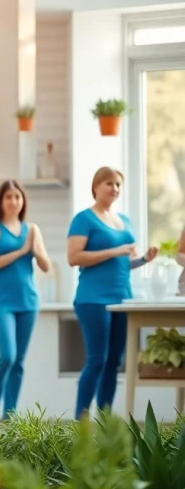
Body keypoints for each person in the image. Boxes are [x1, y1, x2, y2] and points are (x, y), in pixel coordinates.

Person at [67, 166, 155, 419]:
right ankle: (80, 422)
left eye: (118, 184)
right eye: (109, 183)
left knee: (114, 363)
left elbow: (123, 263)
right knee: (96, 360)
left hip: (122, 300)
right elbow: (74, 257)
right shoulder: (84, 219)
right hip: (93, 299)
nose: (114, 189)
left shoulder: (124, 220)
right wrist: (114, 251)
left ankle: (105, 423)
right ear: (95, 187)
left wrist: (144, 260)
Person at [0, 180, 51, 429]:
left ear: (23, 201)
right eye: (8, 197)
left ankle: (9, 418)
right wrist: (21, 252)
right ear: (1, 201)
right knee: (7, 356)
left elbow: (46, 266)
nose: (13, 201)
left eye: (17, 197)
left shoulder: (32, 229)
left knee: (19, 361)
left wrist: (35, 249)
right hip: (0, 303)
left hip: (28, 302)